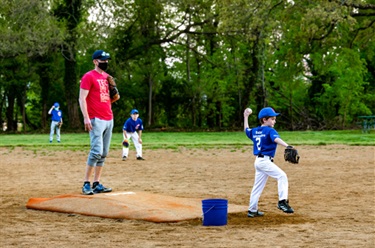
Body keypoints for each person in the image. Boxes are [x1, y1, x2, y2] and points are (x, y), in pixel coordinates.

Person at [78, 50, 120, 195]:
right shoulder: (88, 77)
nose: (106, 62)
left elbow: (112, 98)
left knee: (103, 153)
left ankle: (96, 183)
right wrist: (86, 117)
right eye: (103, 60)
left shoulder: (107, 77)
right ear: (95, 61)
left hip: (109, 117)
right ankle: (86, 183)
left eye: (107, 60)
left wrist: (114, 96)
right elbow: (82, 98)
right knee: (96, 152)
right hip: (96, 118)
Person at [243, 107, 295, 218]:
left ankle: (252, 210)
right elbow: (276, 139)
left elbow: (246, 130)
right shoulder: (270, 130)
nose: (274, 121)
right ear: (264, 120)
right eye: (272, 119)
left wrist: (246, 117)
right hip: (265, 161)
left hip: (258, 161)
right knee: (282, 176)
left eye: (274, 119)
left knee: (257, 187)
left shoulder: (255, 131)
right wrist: (287, 145)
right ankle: (282, 202)